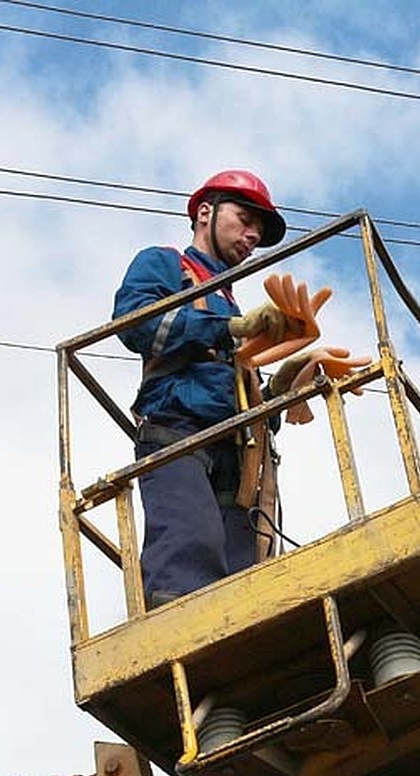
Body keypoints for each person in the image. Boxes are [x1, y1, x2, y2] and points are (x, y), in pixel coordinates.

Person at [113, 169, 301, 608]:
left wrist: (280, 390)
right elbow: (137, 325)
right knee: (187, 551)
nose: (252, 235)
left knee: (243, 576)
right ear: (204, 212)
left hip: (236, 458)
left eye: (260, 228)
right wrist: (227, 327)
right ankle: (174, 631)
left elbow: (237, 396)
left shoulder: (230, 302)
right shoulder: (167, 264)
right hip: (178, 433)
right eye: (245, 218)